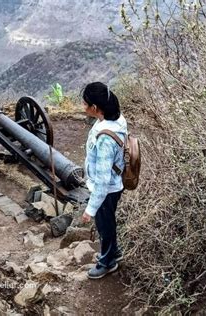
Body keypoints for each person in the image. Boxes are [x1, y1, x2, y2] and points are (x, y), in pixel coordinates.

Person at [80, 82, 127, 279]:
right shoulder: (115, 119)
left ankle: (107, 262)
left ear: (95, 108)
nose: (83, 107)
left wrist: (90, 210)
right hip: (113, 186)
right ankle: (113, 251)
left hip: (107, 191)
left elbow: (102, 181)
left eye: (85, 104)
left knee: (105, 226)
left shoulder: (106, 140)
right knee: (108, 222)